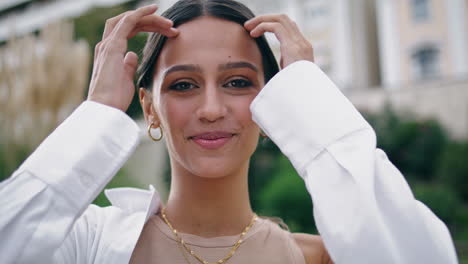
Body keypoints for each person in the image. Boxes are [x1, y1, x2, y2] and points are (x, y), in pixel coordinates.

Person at [0, 0, 458, 263]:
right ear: (149, 108)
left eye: (238, 82)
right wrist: (98, 110)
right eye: (183, 85)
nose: (213, 109)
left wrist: (312, 105)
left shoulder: (317, 258)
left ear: (271, 102)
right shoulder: (86, 244)